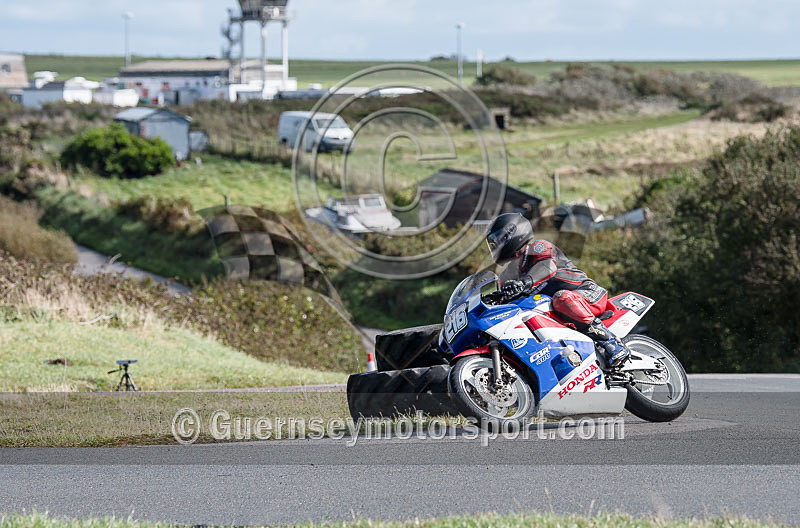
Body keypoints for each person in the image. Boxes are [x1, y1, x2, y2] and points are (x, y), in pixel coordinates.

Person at [485, 212, 629, 367]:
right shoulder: (509, 273)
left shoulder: (538, 247)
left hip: (586, 294)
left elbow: (547, 267)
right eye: (494, 242)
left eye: (500, 239)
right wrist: (489, 300)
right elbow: (503, 297)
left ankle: (611, 343)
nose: (497, 245)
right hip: (560, 312)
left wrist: (524, 283)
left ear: (515, 233)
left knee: (562, 297)